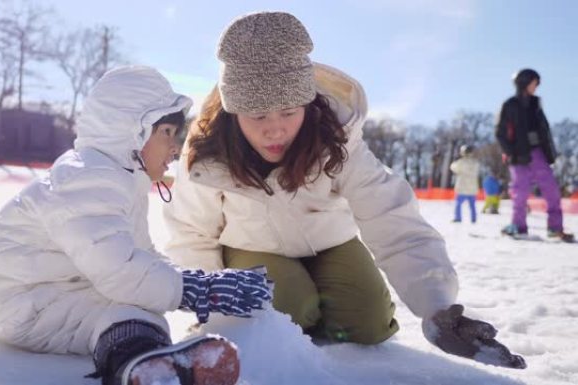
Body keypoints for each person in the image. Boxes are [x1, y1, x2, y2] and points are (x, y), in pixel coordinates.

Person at [164, 11, 525, 368]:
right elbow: (192, 233)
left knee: (369, 324)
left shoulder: (336, 139)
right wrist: (214, 312)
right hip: (252, 246)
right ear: (233, 110)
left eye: (289, 111)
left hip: (329, 242)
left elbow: (391, 217)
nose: (275, 130)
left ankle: (321, 306)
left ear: (306, 102)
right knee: (286, 304)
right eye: (257, 116)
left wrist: (438, 306)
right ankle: (299, 308)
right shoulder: (209, 155)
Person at [0, 66, 272, 385]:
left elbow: (141, 256)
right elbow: (120, 270)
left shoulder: (121, 179)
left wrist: (198, 280)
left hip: (55, 287)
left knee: (139, 305)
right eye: (166, 133)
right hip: (18, 298)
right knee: (128, 304)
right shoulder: (88, 178)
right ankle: (139, 365)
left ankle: (149, 368)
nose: (175, 147)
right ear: (132, 131)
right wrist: (197, 290)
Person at [495, 68, 574, 242]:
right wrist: (510, 152)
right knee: (520, 191)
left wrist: (549, 154)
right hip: (517, 156)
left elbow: (544, 131)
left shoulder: (536, 104)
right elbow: (500, 132)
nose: (536, 86)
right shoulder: (510, 104)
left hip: (538, 152)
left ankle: (555, 228)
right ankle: (518, 226)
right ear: (523, 82)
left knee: (552, 189)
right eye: (533, 82)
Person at [450, 144, 480, 223]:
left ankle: (458, 218)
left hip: (462, 188)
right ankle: (473, 219)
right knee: (472, 205)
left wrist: (455, 161)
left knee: (458, 204)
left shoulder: (461, 162)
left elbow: (453, 167)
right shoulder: (475, 163)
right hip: (472, 188)